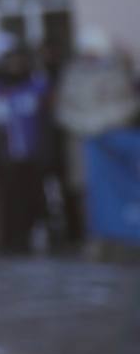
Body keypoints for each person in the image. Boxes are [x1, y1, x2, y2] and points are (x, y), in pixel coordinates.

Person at [57, 30, 139, 251]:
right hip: (82, 141)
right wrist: (83, 124)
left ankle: (121, 237)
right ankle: (93, 238)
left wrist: (101, 123)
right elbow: (64, 109)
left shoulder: (116, 74)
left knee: (116, 189)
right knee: (85, 190)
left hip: (110, 142)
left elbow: (128, 105)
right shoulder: (72, 75)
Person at [0, 43, 54, 256]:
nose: (15, 66)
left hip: (33, 153)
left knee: (36, 195)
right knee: (11, 198)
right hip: (8, 154)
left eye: (19, 61)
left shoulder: (37, 85)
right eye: (11, 62)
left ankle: (41, 234)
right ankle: (15, 238)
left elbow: (46, 118)